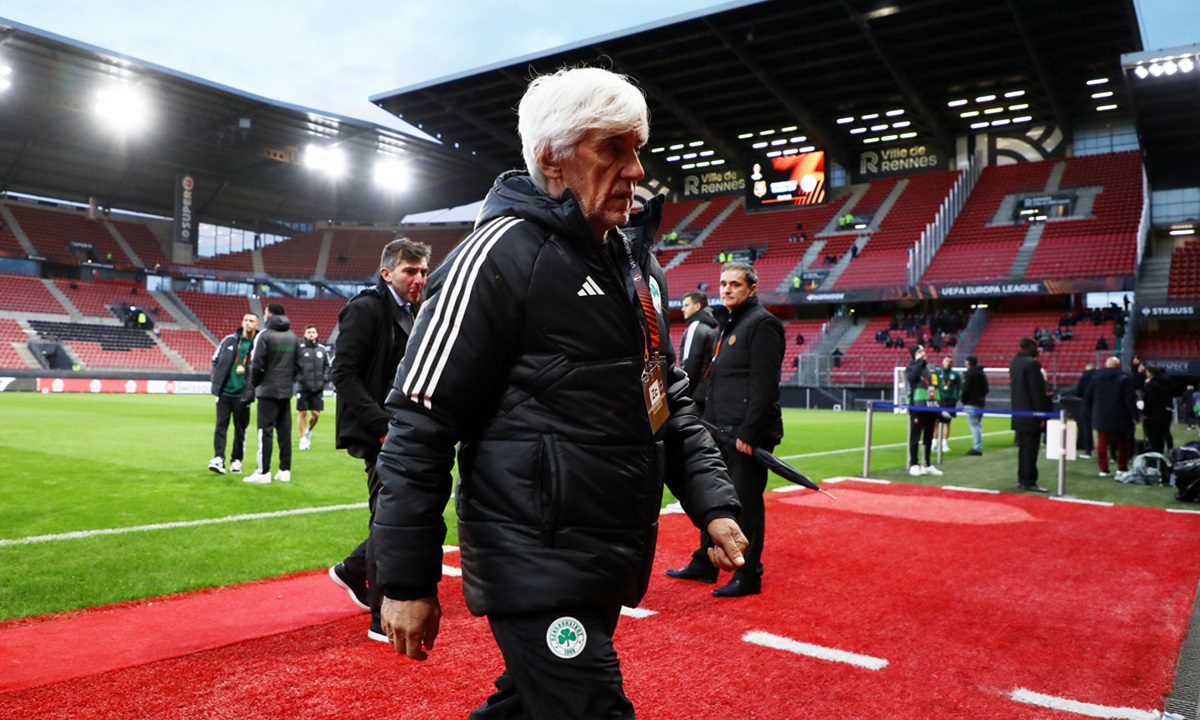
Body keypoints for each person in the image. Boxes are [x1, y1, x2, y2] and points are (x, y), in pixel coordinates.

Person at [371, 67, 747, 719]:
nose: (636, 170)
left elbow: (665, 401)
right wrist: (405, 581)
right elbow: (418, 426)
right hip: (533, 560)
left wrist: (713, 503)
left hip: (604, 554)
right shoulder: (494, 257)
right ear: (552, 158)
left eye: (637, 149)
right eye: (613, 149)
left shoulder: (635, 266)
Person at [328, 237, 431, 640]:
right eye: (410, 271)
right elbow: (343, 374)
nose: (418, 278)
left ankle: (353, 569)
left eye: (423, 271)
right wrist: (382, 426)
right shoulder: (365, 309)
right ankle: (379, 615)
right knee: (388, 520)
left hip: (406, 430)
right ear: (386, 273)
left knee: (396, 515)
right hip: (381, 434)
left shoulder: (417, 311)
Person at [666, 261, 784, 598]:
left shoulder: (762, 323)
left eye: (735, 284)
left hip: (744, 434)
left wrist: (750, 432)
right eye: (723, 284)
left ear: (752, 289)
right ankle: (706, 562)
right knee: (719, 498)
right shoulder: (730, 323)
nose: (727, 289)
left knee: (745, 503)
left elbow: (765, 383)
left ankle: (748, 574)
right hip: (720, 429)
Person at [243, 302, 298, 485]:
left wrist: (254, 385)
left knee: (264, 431)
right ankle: (284, 470)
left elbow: (257, 365)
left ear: (270, 314)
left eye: (266, 313)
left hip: (267, 391)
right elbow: (298, 365)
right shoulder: (292, 336)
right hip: (285, 391)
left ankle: (263, 472)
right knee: (285, 432)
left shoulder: (264, 336)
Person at [208, 313, 258, 475]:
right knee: (220, 426)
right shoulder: (229, 340)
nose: (248, 323)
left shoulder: (259, 344)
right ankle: (218, 458)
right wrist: (216, 380)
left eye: (251, 321)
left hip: (243, 394)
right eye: (245, 320)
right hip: (225, 392)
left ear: (257, 324)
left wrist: (252, 390)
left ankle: (236, 460)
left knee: (240, 429)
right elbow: (215, 360)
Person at [1082, 356, 1139, 477]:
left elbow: (1088, 396)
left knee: (1102, 441)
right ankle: (1122, 467)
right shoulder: (1125, 377)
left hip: (1101, 414)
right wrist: (1135, 416)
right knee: (1122, 442)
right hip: (1121, 414)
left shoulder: (1096, 377)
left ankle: (1103, 468)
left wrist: (1091, 411)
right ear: (1119, 366)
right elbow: (1129, 399)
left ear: (1106, 365)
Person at [1009, 337, 1050, 492]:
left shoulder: (1014, 362)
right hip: (1031, 414)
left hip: (1019, 412)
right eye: (1036, 347)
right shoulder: (1032, 364)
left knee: (1023, 449)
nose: (1037, 350)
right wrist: (1042, 415)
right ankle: (1029, 480)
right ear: (1031, 347)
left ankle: (1023, 479)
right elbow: (1036, 392)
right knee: (1031, 450)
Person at [677, 290, 718, 414]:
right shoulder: (712, 327)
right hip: (708, 394)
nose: (682, 309)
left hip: (694, 396)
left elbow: (690, 363)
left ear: (697, 306)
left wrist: (683, 393)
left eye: (686, 305)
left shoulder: (695, 327)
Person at [904, 345, 942, 477]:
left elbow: (936, 387)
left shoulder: (931, 368)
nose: (924, 353)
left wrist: (939, 406)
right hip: (917, 407)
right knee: (915, 436)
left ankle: (927, 464)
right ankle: (913, 464)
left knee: (928, 436)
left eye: (923, 351)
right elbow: (912, 379)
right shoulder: (911, 367)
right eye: (920, 351)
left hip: (930, 406)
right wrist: (919, 362)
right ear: (914, 354)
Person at [295, 325, 330, 451]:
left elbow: (327, 366)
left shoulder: (322, 350)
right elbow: (294, 366)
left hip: (318, 387)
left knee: (315, 414)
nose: (311, 334)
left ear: (316, 334)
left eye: (313, 332)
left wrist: (325, 378)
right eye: (309, 332)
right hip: (303, 387)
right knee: (302, 412)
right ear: (305, 334)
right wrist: (300, 378)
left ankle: (308, 431)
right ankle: (302, 439)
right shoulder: (300, 349)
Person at [1142, 365, 1175, 457]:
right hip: (1165, 412)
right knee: (1164, 433)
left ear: (1151, 373)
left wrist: (1145, 413)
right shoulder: (1167, 382)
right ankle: (1168, 450)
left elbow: (1150, 401)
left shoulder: (1152, 385)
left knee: (1154, 437)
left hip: (1153, 415)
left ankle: (1156, 454)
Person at [959, 356, 988, 456]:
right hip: (981, 403)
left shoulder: (969, 374)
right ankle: (977, 447)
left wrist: (964, 401)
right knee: (977, 425)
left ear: (968, 363)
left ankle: (977, 448)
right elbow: (986, 389)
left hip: (971, 403)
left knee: (974, 426)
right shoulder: (982, 374)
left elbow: (965, 389)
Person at [934, 355, 961, 452]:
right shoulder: (937, 372)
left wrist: (956, 398)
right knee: (935, 422)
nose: (948, 363)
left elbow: (959, 387)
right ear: (943, 362)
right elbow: (933, 384)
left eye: (950, 361)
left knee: (947, 422)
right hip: (939, 399)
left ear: (952, 363)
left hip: (950, 400)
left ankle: (944, 444)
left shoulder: (955, 374)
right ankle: (934, 443)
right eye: (946, 361)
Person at [1074, 362, 1097, 458]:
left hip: (1087, 405)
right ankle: (1111, 452)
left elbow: (1078, 393)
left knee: (1087, 428)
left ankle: (1088, 450)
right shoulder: (1098, 376)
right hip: (1099, 405)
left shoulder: (1084, 377)